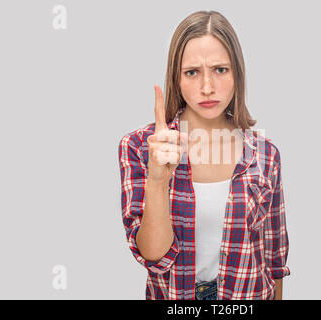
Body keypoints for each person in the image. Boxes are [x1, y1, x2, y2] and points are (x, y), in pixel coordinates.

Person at [118, 10, 290, 300]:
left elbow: (274, 261)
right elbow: (153, 256)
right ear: (177, 78)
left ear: (237, 73)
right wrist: (158, 179)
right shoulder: (138, 147)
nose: (207, 87)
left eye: (220, 70)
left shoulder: (265, 155)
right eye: (192, 72)